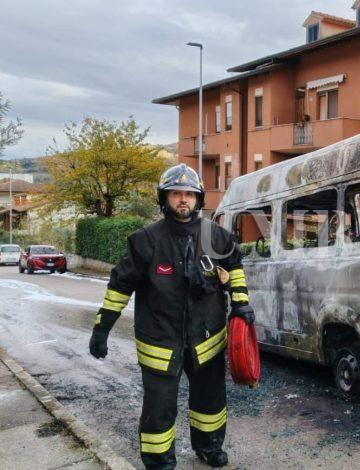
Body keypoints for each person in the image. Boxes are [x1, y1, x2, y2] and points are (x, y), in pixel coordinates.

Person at [88, 164, 254, 469]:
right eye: (176, 193)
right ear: (164, 198)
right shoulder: (145, 240)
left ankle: (209, 446)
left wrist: (241, 304)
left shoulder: (216, 236)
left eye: (189, 194)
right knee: (159, 407)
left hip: (207, 340)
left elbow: (234, 268)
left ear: (198, 199)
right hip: (160, 342)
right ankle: (159, 460)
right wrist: (102, 329)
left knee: (210, 401)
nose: (183, 199)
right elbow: (119, 287)